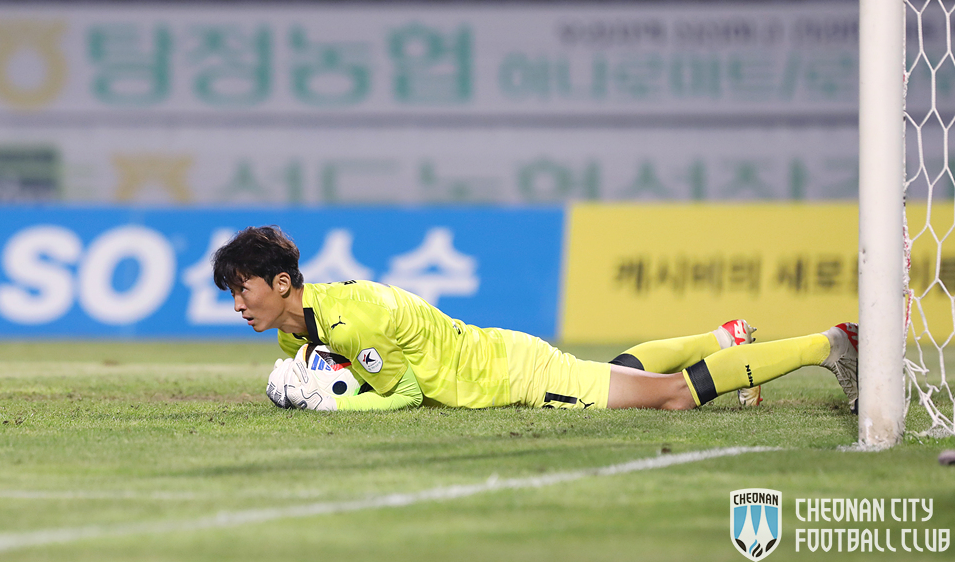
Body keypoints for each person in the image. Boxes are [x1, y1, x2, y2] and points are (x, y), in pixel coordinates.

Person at [211, 225, 859, 413]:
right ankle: (724, 338)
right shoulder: (304, 325)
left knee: (671, 397)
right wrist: (311, 376)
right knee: (617, 371)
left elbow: (403, 393)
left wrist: (333, 404)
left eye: (243, 290)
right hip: (504, 354)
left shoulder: (351, 319)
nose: (238, 304)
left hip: (515, 378)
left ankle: (826, 344)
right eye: (232, 293)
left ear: (283, 283)